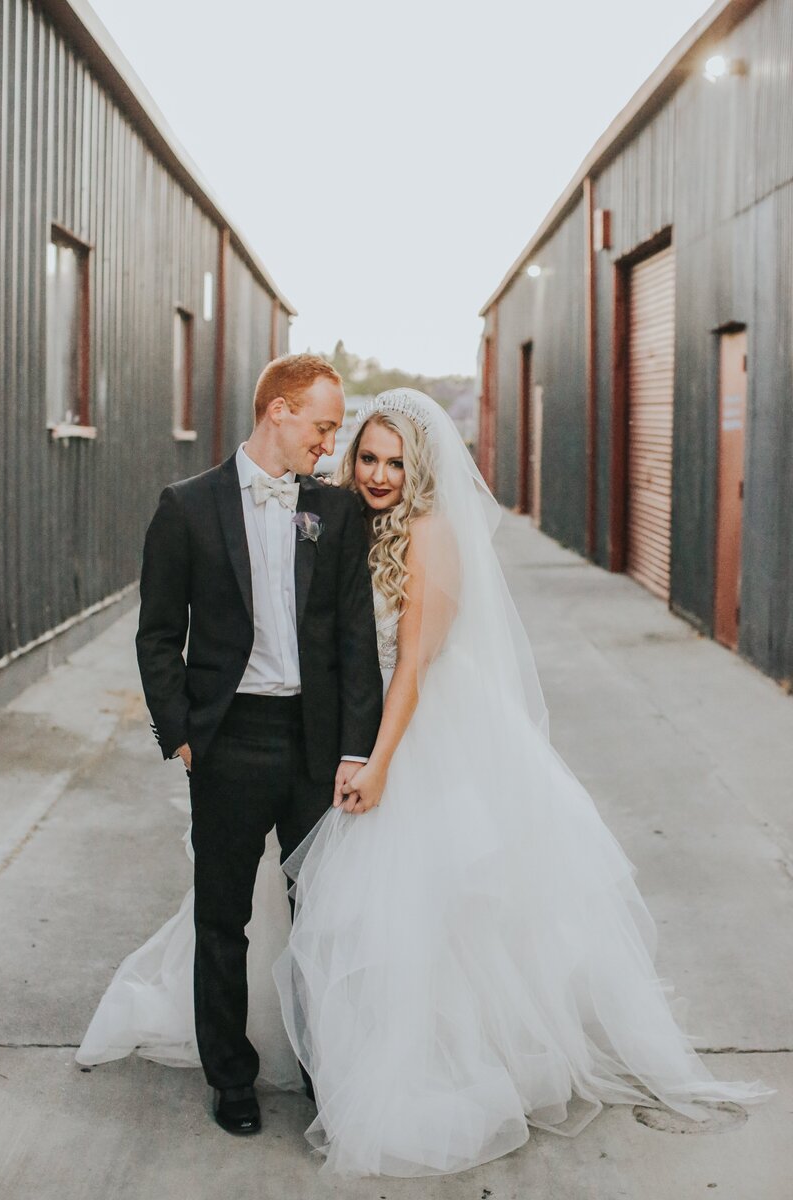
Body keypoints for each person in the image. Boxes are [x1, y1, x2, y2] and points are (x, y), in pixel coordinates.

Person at [270, 388, 772, 1177]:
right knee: (372, 908)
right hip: (374, 723)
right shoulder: (354, 523)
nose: (377, 474)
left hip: (426, 731)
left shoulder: (432, 534)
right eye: (367, 457)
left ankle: (436, 1062)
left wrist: (380, 762)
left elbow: (412, 668)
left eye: (396, 462)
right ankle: (348, 1051)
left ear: (422, 467)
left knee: (429, 906)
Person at [75, 355, 383, 1138]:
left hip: (316, 746)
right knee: (223, 919)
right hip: (228, 741)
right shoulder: (186, 507)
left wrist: (356, 749)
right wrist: (179, 731)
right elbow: (157, 635)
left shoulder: (338, 513)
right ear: (278, 410)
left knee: (321, 914)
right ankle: (231, 1079)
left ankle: (325, 1072)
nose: (330, 440)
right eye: (322, 423)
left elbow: (355, 643)